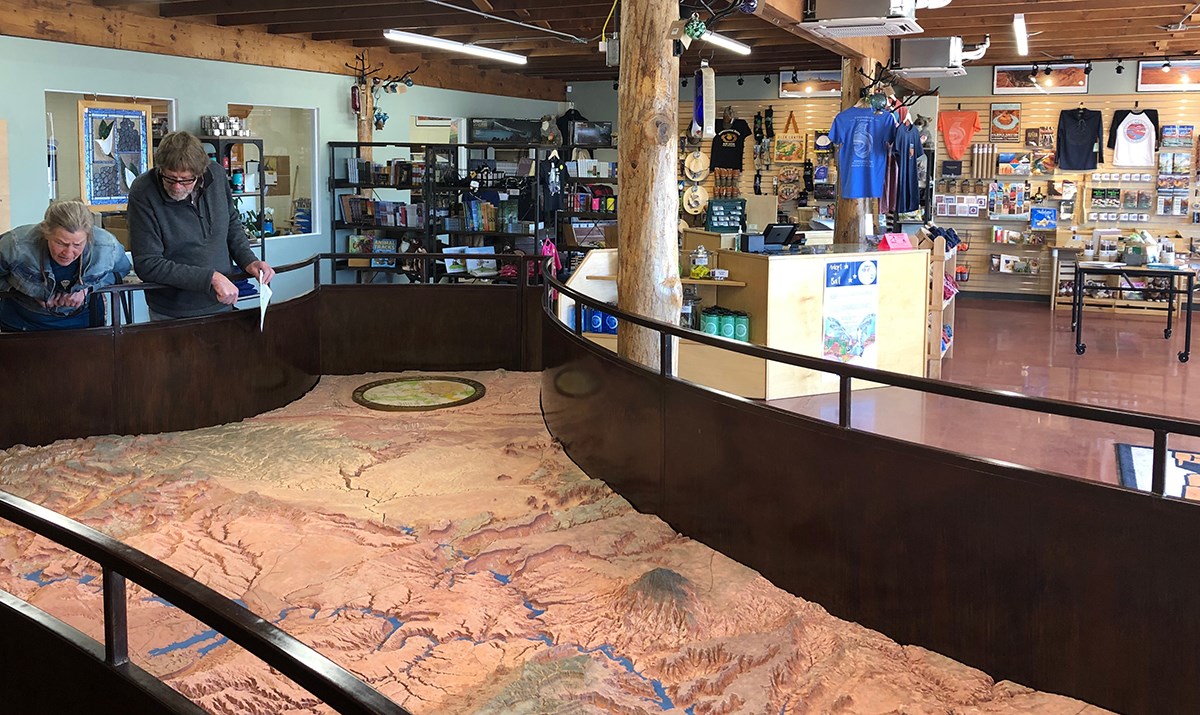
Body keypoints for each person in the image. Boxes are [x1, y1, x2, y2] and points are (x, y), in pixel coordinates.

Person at [128, 131, 273, 319]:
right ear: (160, 168)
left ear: (200, 173)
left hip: (221, 302)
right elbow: (147, 263)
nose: (177, 187)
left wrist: (249, 260)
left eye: (186, 180)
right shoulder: (143, 191)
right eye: (170, 178)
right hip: (174, 312)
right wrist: (210, 278)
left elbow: (231, 223)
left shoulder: (217, 175)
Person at [0, 200, 131, 331]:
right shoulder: (15, 245)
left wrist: (88, 289)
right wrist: (24, 292)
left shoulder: (107, 246)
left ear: (89, 237)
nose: (68, 253)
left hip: (86, 324)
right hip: (23, 324)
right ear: (46, 233)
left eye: (78, 245)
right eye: (60, 243)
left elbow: (121, 271)